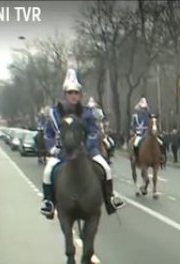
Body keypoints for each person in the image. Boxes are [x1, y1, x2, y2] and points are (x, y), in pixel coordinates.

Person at [40, 69, 125, 219]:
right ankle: (49, 203)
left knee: (106, 168)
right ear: (65, 95)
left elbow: (93, 131)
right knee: (47, 172)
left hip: (86, 151)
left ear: (80, 95)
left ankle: (110, 199)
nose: (73, 96)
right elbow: (48, 133)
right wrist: (52, 147)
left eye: (76, 93)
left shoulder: (87, 112)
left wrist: (88, 146)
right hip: (62, 151)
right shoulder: (55, 112)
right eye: (70, 93)